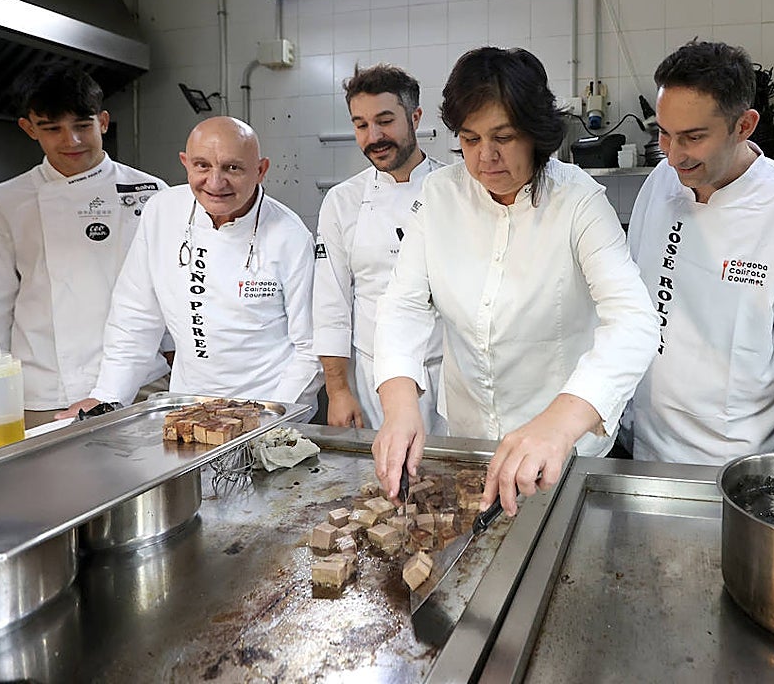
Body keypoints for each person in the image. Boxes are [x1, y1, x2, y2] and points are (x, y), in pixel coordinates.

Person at [370, 47, 657, 515]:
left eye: (503, 137)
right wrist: (400, 404)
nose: (486, 157)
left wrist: (559, 423)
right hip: (470, 441)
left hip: (559, 452)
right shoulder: (440, 197)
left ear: (536, 134)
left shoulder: (579, 203)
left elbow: (635, 321)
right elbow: (404, 304)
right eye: (469, 139)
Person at [625, 41, 774, 465]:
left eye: (693, 138)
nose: (674, 155)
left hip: (737, 465)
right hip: (644, 449)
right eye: (664, 134)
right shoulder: (660, 181)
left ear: (744, 125)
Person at [63, 117, 320, 418]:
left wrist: (272, 417)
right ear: (185, 163)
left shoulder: (290, 236)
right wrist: (107, 395)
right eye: (202, 166)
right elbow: (136, 315)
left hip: (268, 407)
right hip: (189, 409)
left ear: (261, 170)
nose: (215, 182)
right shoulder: (162, 212)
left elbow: (310, 348)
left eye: (232, 168)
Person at [0, 65, 169, 428]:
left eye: (82, 125)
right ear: (29, 128)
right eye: (52, 128)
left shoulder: (151, 193)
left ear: (103, 122)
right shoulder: (4, 202)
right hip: (43, 391)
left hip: (142, 384)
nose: (71, 141)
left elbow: (171, 293)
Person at [313, 64, 446, 431]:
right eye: (360, 125)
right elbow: (331, 303)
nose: (373, 136)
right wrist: (338, 392)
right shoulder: (342, 202)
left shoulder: (454, 188)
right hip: (372, 379)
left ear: (415, 117)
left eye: (385, 121)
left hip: (448, 374)